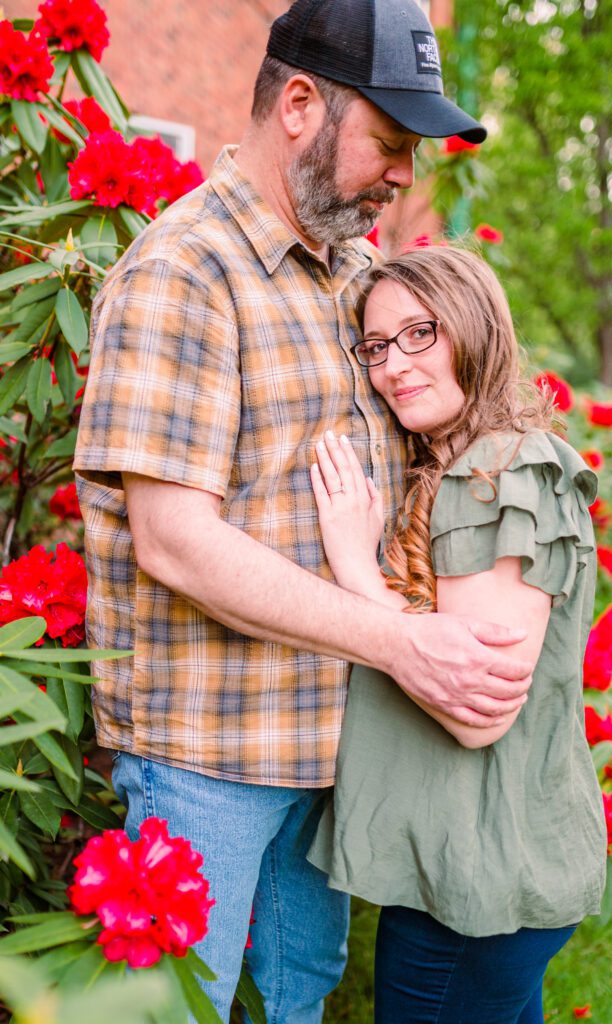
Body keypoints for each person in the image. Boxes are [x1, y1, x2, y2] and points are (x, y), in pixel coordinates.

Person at [73, 1, 533, 1019]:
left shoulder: (356, 276)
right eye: (390, 142)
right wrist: (401, 641)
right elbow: (177, 541)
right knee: (176, 1008)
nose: (408, 174)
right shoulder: (182, 273)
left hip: (327, 749)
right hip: (207, 762)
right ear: (298, 105)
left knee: (297, 1000)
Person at [307, 245, 608, 1024]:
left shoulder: (494, 475)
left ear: (473, 328)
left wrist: (352, 565)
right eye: (375, 347)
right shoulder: (474, 466)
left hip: (477, 884)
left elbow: (478, 710)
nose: (391, 366)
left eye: (418, 334)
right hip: (483, 867)